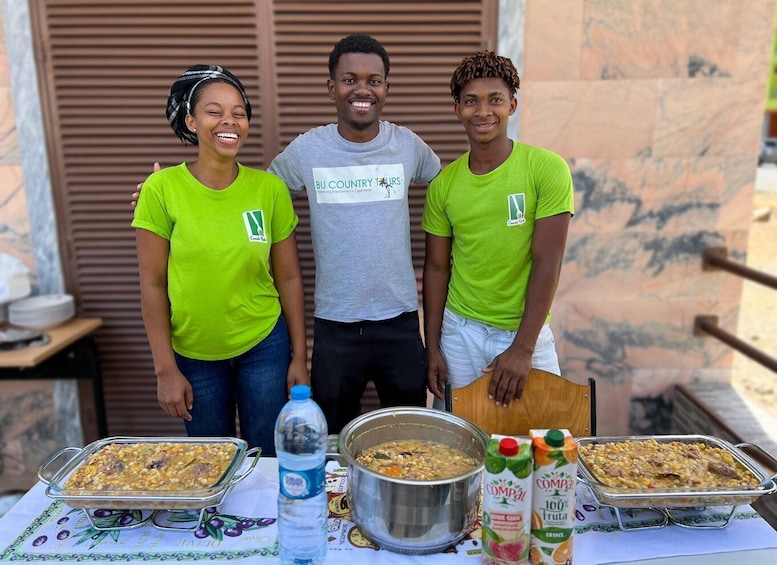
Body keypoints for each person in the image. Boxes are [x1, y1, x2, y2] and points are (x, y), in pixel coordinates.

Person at [267, 34, 441, 433]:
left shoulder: (408, 146)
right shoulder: (307, 151)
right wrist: (174, 190)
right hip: (335, 327)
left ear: (385, 88)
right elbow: (255, 195)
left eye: (374, 80)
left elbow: (455, 191)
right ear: (332, 88)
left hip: (399, 323)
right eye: (350, 79)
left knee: (408, 437)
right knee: (332, 444)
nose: (362, 89)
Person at [132, 65, 308, 456]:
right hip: (193, 355)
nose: (229, 120)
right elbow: (152, 285)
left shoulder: (269, 190)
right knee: (211, 461)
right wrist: (165, 370)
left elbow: (290, 278)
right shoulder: (161, 190)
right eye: (214, 111)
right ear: (191, 121)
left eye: (239, 112)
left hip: (264, 346)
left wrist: (299, 356)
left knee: (267, 458)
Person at [422, 50, 574, 410]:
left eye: (495, 100)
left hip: (526, 334)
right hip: (460, 333)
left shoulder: (546, 169)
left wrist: (522, 349)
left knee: (545, 445)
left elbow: (547, 263)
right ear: (457, 108)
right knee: (461, 446)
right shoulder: (443, 185)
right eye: (471, 101)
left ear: (513, 105)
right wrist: (434, 349)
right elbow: (437, 269)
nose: (483, 111)